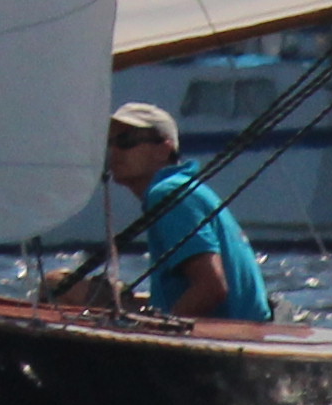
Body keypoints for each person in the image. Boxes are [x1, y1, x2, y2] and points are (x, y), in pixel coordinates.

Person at [46, 104, 270, 322]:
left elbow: (212, 287)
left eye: (126, 141)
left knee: (54, 287)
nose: (114, 151)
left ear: (163, 149)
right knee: (64, 282)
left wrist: (160, 328)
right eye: (110, 143)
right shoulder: (184, 186)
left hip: (229, 333)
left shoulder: (167, 192)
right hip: (245, 324)